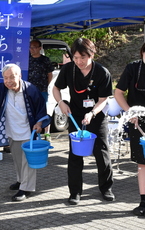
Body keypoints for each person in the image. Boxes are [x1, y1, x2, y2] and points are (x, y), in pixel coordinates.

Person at [0, 63, 50, 201]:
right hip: (12, 130)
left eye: (12, 77)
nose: (8, 81)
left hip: (28, 131)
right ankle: (20, 181)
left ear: (20, 76)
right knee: (18, 159)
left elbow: (41, 108)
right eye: (5, 78)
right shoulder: (1, 88)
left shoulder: (30, 89)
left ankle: (26, 188)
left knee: (28, 161)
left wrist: (39, 123)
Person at [53, 38, 115, 205]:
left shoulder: (102, 73)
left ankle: (106, 188)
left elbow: (103, 99)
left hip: (96, 115)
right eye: (76, 57)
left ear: (92, 54)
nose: (79, 61)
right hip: (74, 115)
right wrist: (60, 103)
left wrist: (92, 113)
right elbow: (55, 88)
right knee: (75, 154)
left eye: (83, 57)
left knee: (101, 152)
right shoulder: (68, 69)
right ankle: (75, 192)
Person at [114, 42, 145, 216]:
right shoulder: (133, 68)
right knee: (142, 163)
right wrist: (130, 112)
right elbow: (118, 93)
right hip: (137, 122)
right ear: (142, 53)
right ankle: (143, 201)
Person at [28, 39, 54, 141]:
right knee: (30, 111)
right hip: (29, 90)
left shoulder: (45, 60)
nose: (32, 49)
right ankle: (32, 132)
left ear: (40, 48)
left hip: (42, 89)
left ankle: (46, 133)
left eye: (34, 47)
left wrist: (46, 85)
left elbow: (50, 74)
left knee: (43, 110)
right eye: (30, 47)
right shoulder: (27, 59)